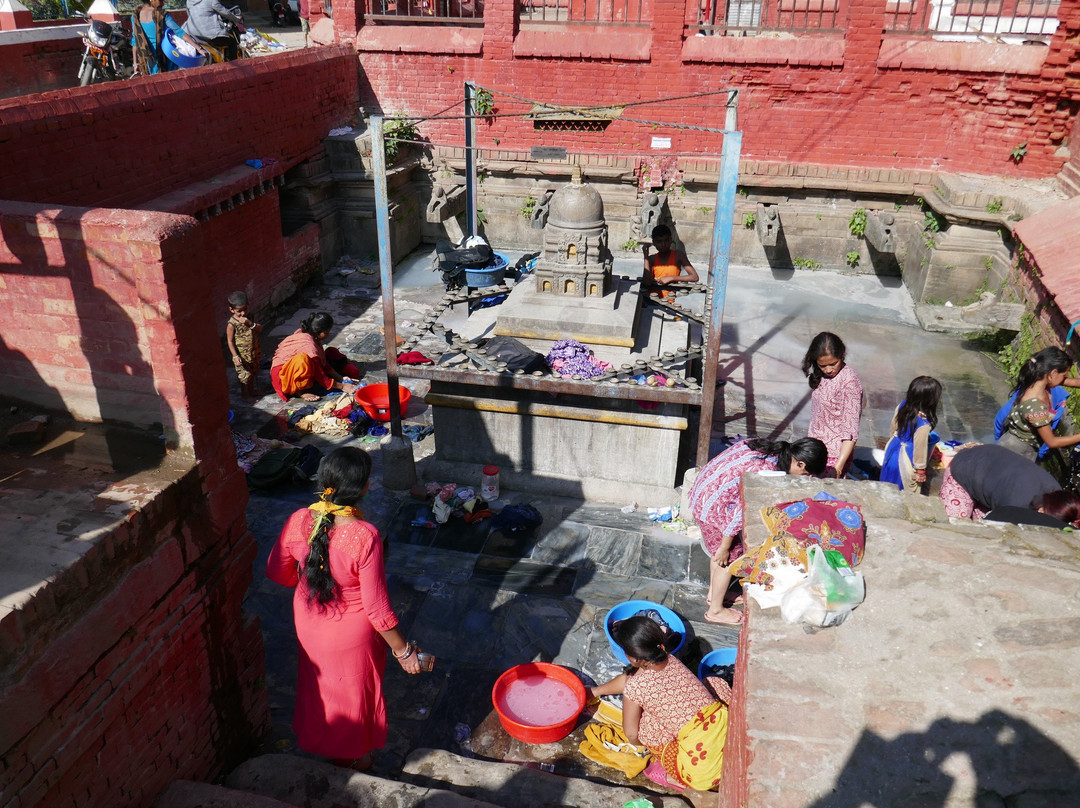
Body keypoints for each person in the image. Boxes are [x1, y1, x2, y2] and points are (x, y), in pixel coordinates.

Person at [266, 448, 422, 770]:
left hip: (309, 623)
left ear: (324, 481)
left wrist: (313, 574)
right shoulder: (365, 536)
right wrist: (404, 651)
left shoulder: (298, 520)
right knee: (353, 698)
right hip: (351, 634)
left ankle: (332, 753)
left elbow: (277, 573)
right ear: (364, 488)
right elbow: (377, 609)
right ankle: (357, 764)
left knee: (322, 688)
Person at [689, 437, 828, 625]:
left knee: (720, 555)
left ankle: (714, 594)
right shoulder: (765, 471)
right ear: (800, 463)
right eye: (805, 474)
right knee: (727, 558)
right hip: (712, 506)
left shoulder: (770, 448)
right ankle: (715, 610)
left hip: (705, 492)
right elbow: (737, 516)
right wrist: (724, 546)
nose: (804, 478)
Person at [587, 616, 728, 794]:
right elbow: (630, 678)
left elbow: (631, 734)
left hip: (702, 772)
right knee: (713, 683)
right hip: (726, 733)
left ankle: (673, 776)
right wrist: (596, 691)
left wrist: (648, 746)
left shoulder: (636, 687)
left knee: (646, 728)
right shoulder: (671, 659)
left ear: (633, 658)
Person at [996, 347, 1080, 482]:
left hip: (1020, 446)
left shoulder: (1040, 380)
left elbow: (1072, 382)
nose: (1065, 379)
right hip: (1016, 451)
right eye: (1064, 375)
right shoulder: (1035, 406)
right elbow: (1052, 442)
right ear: (1052, 373)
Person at [939, 442, 1075, 523]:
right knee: (955, 526)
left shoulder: (1057, 493)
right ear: (1041, 510)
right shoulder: (1016, 504)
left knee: (979, 527)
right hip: (967, 466)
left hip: (995, 475)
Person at [803, 331, 863, 478]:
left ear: (842, 355)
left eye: (833, 364)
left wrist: (837, 467)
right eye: (823, 365)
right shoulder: (821, 374)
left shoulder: (849, 383)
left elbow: (850, 432)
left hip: (833, 455)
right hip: (815, 447)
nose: (829, 370)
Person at [270, 312, 360, 402]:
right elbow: (321, 375)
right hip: (283, 378)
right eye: (326, 333)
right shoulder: (309, 346)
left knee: (331, 353)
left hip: (290, 369)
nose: (328, 335)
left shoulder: (311, 335)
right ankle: (300, 390)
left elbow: (323, 363)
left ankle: (302, 384)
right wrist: (342, 386)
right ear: (317, 332)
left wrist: (340, 378)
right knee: (302, 359)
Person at [879, 376, 942, 493]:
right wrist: (920, 471)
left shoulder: (902, 405)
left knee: (887, 483)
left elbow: (894, 427)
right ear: (931, 400)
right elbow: (920, 448)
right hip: (906, 457)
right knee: (903, 489)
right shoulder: (923, 424)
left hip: (893, 449)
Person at [131, 0, 206, 75]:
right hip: (165, 59)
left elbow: (135, 42)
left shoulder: (135, 17)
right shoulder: (161, 14)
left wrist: (135, 63)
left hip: (148, 63)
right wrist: (199, 48)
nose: (163, 2)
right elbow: (179, 32)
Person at [642, 224, 698, 301]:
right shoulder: (651, 259)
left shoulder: (678, 255)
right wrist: (646, 256)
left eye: (666, 240)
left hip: (669, 302)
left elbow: (694, 277)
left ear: (671, 239)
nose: (663, 244)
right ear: (654, 243)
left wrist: (672, 278)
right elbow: (647, 282)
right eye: (659, 241)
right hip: (651, 301)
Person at [225, 291, 262, 400]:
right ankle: (245, 395)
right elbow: (230, 341)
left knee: (253, 371)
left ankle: (251, 390)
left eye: (245, 309)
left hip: (253, 351)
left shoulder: (250, 317)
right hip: (242, 355)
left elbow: (259, 329)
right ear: (231, 310)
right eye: (239, 311)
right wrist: (235, 356)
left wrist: (250, 323)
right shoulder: (231, 324)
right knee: (244, 376)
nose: (243, 313)